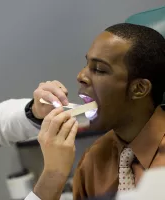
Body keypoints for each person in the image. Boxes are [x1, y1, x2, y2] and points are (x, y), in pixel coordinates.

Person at [69, 23, 165, 200]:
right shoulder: (92, 163)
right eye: (86, 64)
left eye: (98, 69)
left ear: (139, 88)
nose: (81, 76)